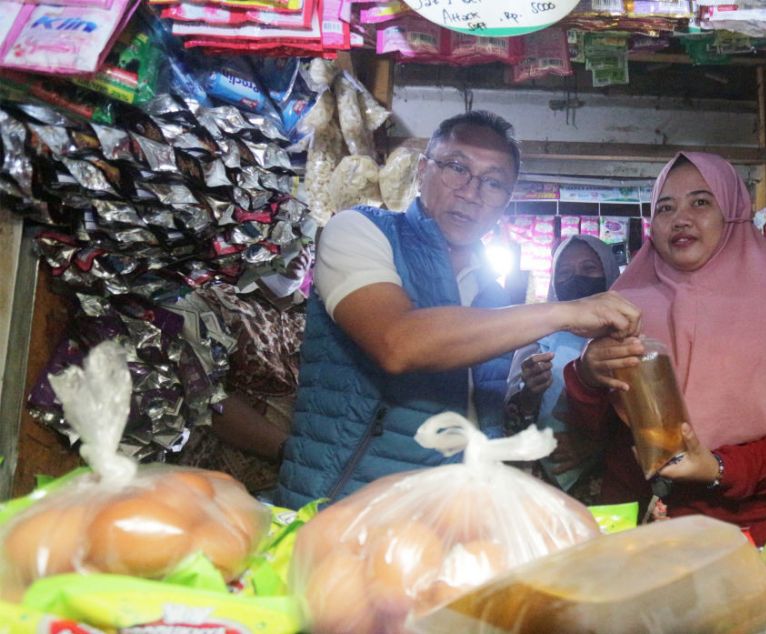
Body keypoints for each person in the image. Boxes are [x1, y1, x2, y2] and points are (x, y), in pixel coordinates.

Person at [275, 111, 640, 509]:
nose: (471, 191)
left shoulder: (494, 296)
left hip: (450, 516)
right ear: (422, 171)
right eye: (456, 168)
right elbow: (398, 343)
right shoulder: (361, 231)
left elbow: (482, 414)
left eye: (494, 182)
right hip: (345, 505)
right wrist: (564, 311)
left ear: (506, 200)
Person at [562, 152, 766, 544]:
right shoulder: (623, 304)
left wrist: (718, 468)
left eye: (700, 202)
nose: (681, 219)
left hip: (738, 533)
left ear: (732, 212)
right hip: (632, 527)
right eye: (665, 207)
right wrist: (586, 376)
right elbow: (586, 431)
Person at [178, 246, 313, 495]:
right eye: (289, 238)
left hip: (302, 486)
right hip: (219, 486)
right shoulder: (210, 300)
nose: (301, 252)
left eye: (307, 243)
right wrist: (290, 451)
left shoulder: (317, 315)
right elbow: (206, 399)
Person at [504, 235, 621, 496]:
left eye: (589, 269)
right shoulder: (536, 337)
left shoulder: (628, 336)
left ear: (610, 271)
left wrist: (597, 444)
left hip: (607, 481)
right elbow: (510, 422)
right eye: (565, 272)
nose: (576, 278)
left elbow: (641, 421)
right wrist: (529, 393)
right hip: (540, 482)